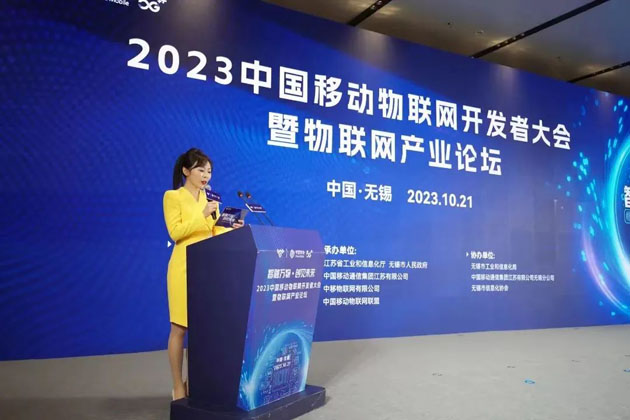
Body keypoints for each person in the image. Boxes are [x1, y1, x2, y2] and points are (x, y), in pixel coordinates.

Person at [163, 148, 243, 400]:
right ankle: (178, 385)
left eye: (209, 171)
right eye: (201, 170)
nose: (206, 175)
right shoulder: (173, 196)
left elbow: (214, 231)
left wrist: (232, 227)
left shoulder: (210, 199)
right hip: (183, 267)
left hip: (207, 269)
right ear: (186, 171)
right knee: (179, 328)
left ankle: (194, 383)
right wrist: (202, 214)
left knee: (202, 330)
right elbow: (175, 232)